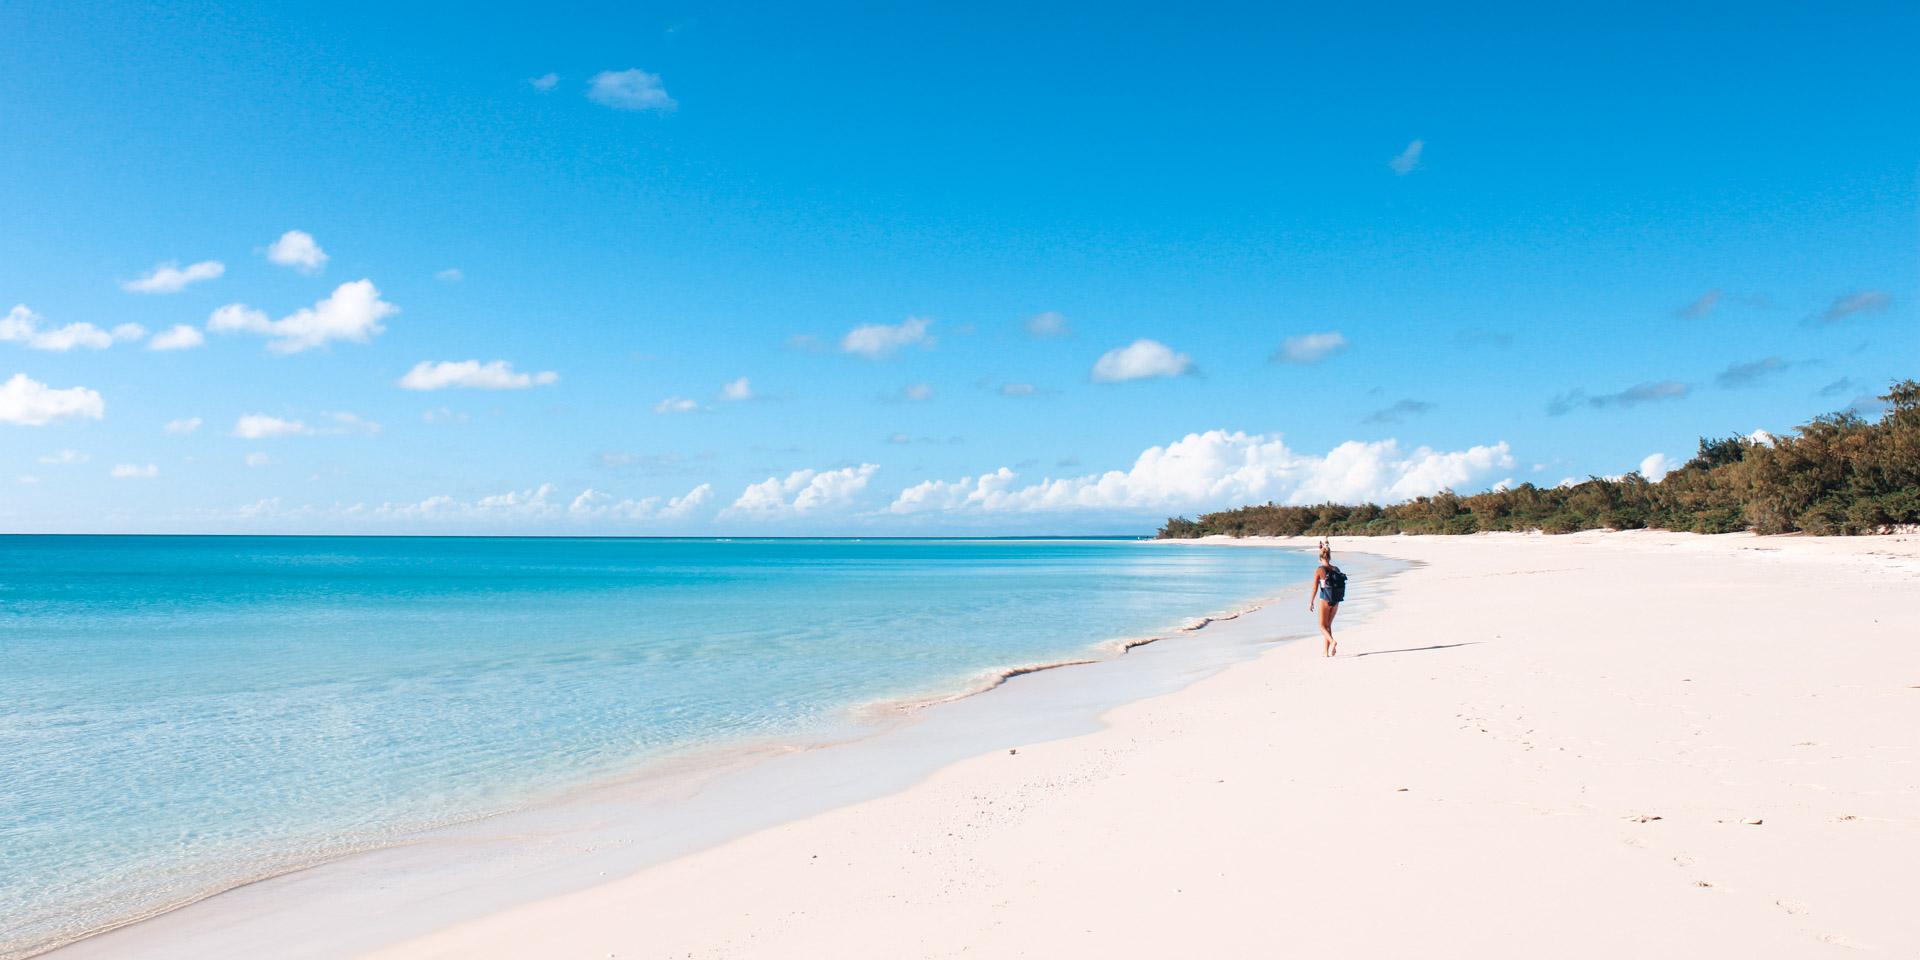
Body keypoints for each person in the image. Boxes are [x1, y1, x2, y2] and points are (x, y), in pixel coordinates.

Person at [1309, 539, 1343, 657]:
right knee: (1328, 625)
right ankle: (1326, 652)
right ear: (1329, 557)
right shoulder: (1336, 569)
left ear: (1320, 558)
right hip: (1336, 600)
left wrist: (1311, 601)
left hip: (1325, 599)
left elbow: (1315, 588)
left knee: (1322, 626)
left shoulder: (1319, 570)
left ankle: (1333, 641)